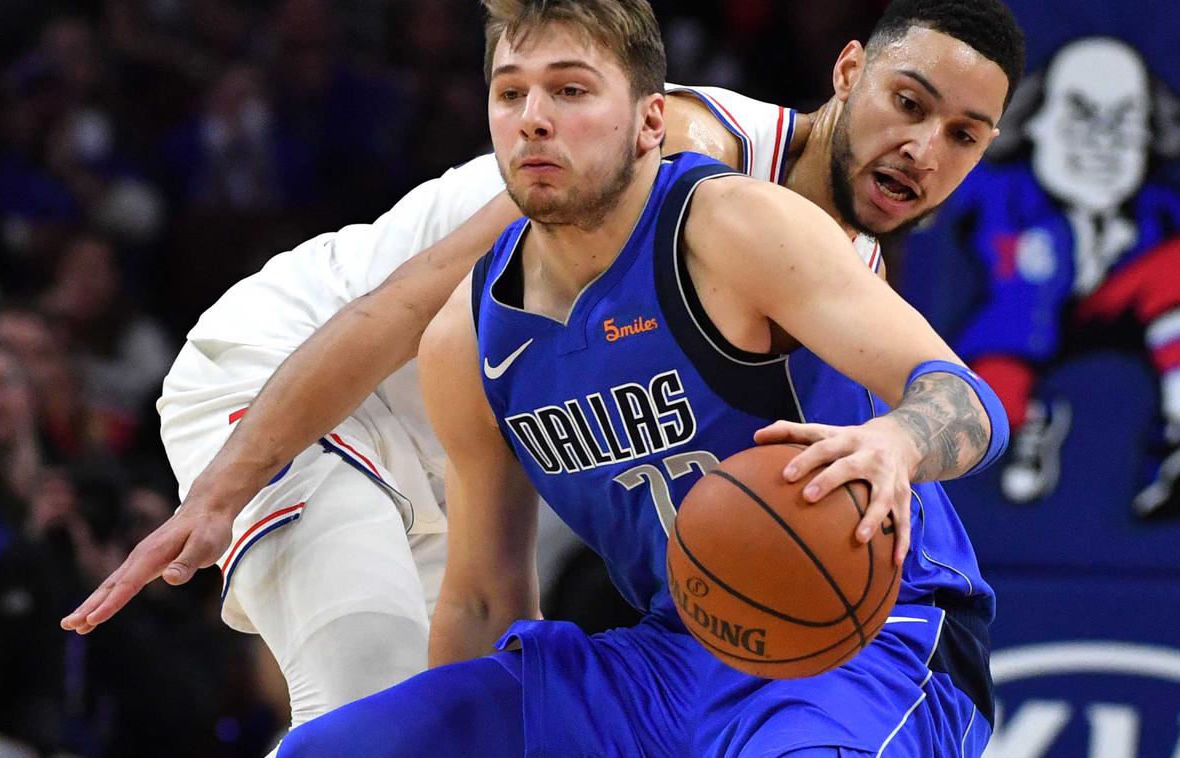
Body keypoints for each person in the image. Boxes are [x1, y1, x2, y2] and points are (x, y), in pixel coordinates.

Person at [62, 0, 1022, 740]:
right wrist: (224, 491)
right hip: (301, 375)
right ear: (848, 71)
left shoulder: (834, 266)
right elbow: (410, 302)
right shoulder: (690, 149)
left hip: (469, 435)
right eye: (908, 103)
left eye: (963, 137)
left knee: (448, 693)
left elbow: (488, 608)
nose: (922, 149)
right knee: (363, 686)